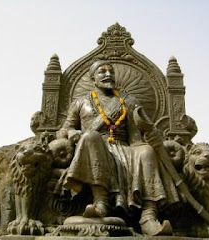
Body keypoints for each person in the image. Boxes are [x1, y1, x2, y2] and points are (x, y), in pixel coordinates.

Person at [53, 60, 179, 236]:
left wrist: (150, 136)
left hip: (125, 147)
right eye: (102, 72)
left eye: (110, 71)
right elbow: (63, 130)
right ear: (93, 78)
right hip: (95, 146)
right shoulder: (81, 102)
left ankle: (148, 216)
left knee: (146, 151)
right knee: (90, 136)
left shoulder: (128, 101)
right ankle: (101, 203)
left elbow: (135, 137)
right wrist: (71, 133)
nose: (107, 74)